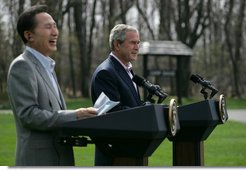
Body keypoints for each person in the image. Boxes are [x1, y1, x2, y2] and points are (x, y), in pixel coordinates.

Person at [7, 5, 97, 166]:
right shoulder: (22, 66)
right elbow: (29, 115)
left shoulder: (47, 66)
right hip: (39, 162)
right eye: (48, 27)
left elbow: (54, 114)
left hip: (62, 160)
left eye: (55, 26)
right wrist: (74, 115)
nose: (55, 32)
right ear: (29, 35)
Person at [91, 24, 147, 166]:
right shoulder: (106, 72)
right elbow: (112, 114)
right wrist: (145, 112)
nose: (137, 47)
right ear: (117, 44)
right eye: (133, 43)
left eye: (138, 43)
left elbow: (131, 104)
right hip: (115, 155)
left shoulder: (126, 69)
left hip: (131, 151)